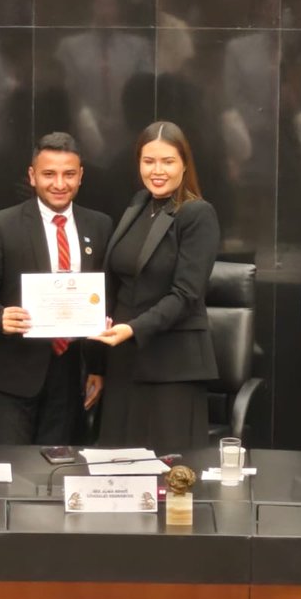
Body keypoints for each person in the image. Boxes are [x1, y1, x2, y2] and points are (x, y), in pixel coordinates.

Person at [0, 132, 113, 445]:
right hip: (12, 374)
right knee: (12, 472)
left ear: (81, 177)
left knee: (58, 472)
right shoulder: (2, 224)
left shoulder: (100, 226)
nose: (59, 184)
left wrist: (98, 367)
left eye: (69, 174)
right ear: (32, 176)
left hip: (70, 373)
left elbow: (105, 298)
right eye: (49, 174)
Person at [90, 121, 220, 450]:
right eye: (149, 161)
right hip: (124, 363)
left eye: (167, 161)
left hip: (171, 368)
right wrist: (98, 360)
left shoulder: (197, 214)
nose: (157, 171)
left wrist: (132, 329)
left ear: (184, 164)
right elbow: (118, 281)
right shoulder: (138, 204)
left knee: (166, 479)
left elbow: (186, 295)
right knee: (118, 472)